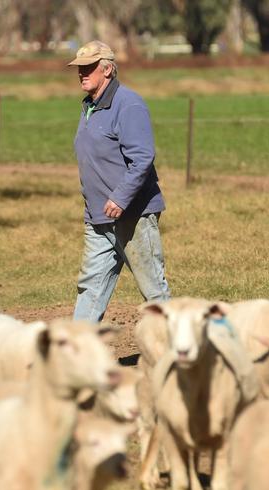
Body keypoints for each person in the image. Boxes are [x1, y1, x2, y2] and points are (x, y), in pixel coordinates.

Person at [68, 40, 171, 323]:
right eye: (79, 68)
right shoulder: (89, 106)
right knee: (90, 287)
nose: (81, 73)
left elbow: (142, 157)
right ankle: (79, 346)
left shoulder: (128, 105)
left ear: (108, 69)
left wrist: (120, 197)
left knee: (153, 290)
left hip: (133, 215)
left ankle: (175, 343)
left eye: (88, 67)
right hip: (98, 217)